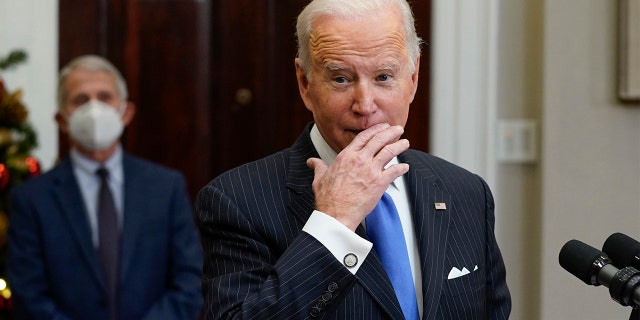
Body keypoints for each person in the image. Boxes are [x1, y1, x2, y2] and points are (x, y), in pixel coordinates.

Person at [195, 0, 511, 318]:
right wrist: (334, 225)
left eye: (384, 77)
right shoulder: (236, 201)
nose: (365, 105)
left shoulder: (467, 192)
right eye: (341, 79)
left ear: (413, 78)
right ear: (305, 83)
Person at [7, 55, 203, 320]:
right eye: (80, 100)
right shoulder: (31, 198)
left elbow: (190, 279)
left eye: (105, 96)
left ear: (126, 112)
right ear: (61, 120)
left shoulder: (165, 187)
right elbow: (29, 294)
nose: (94, 109)